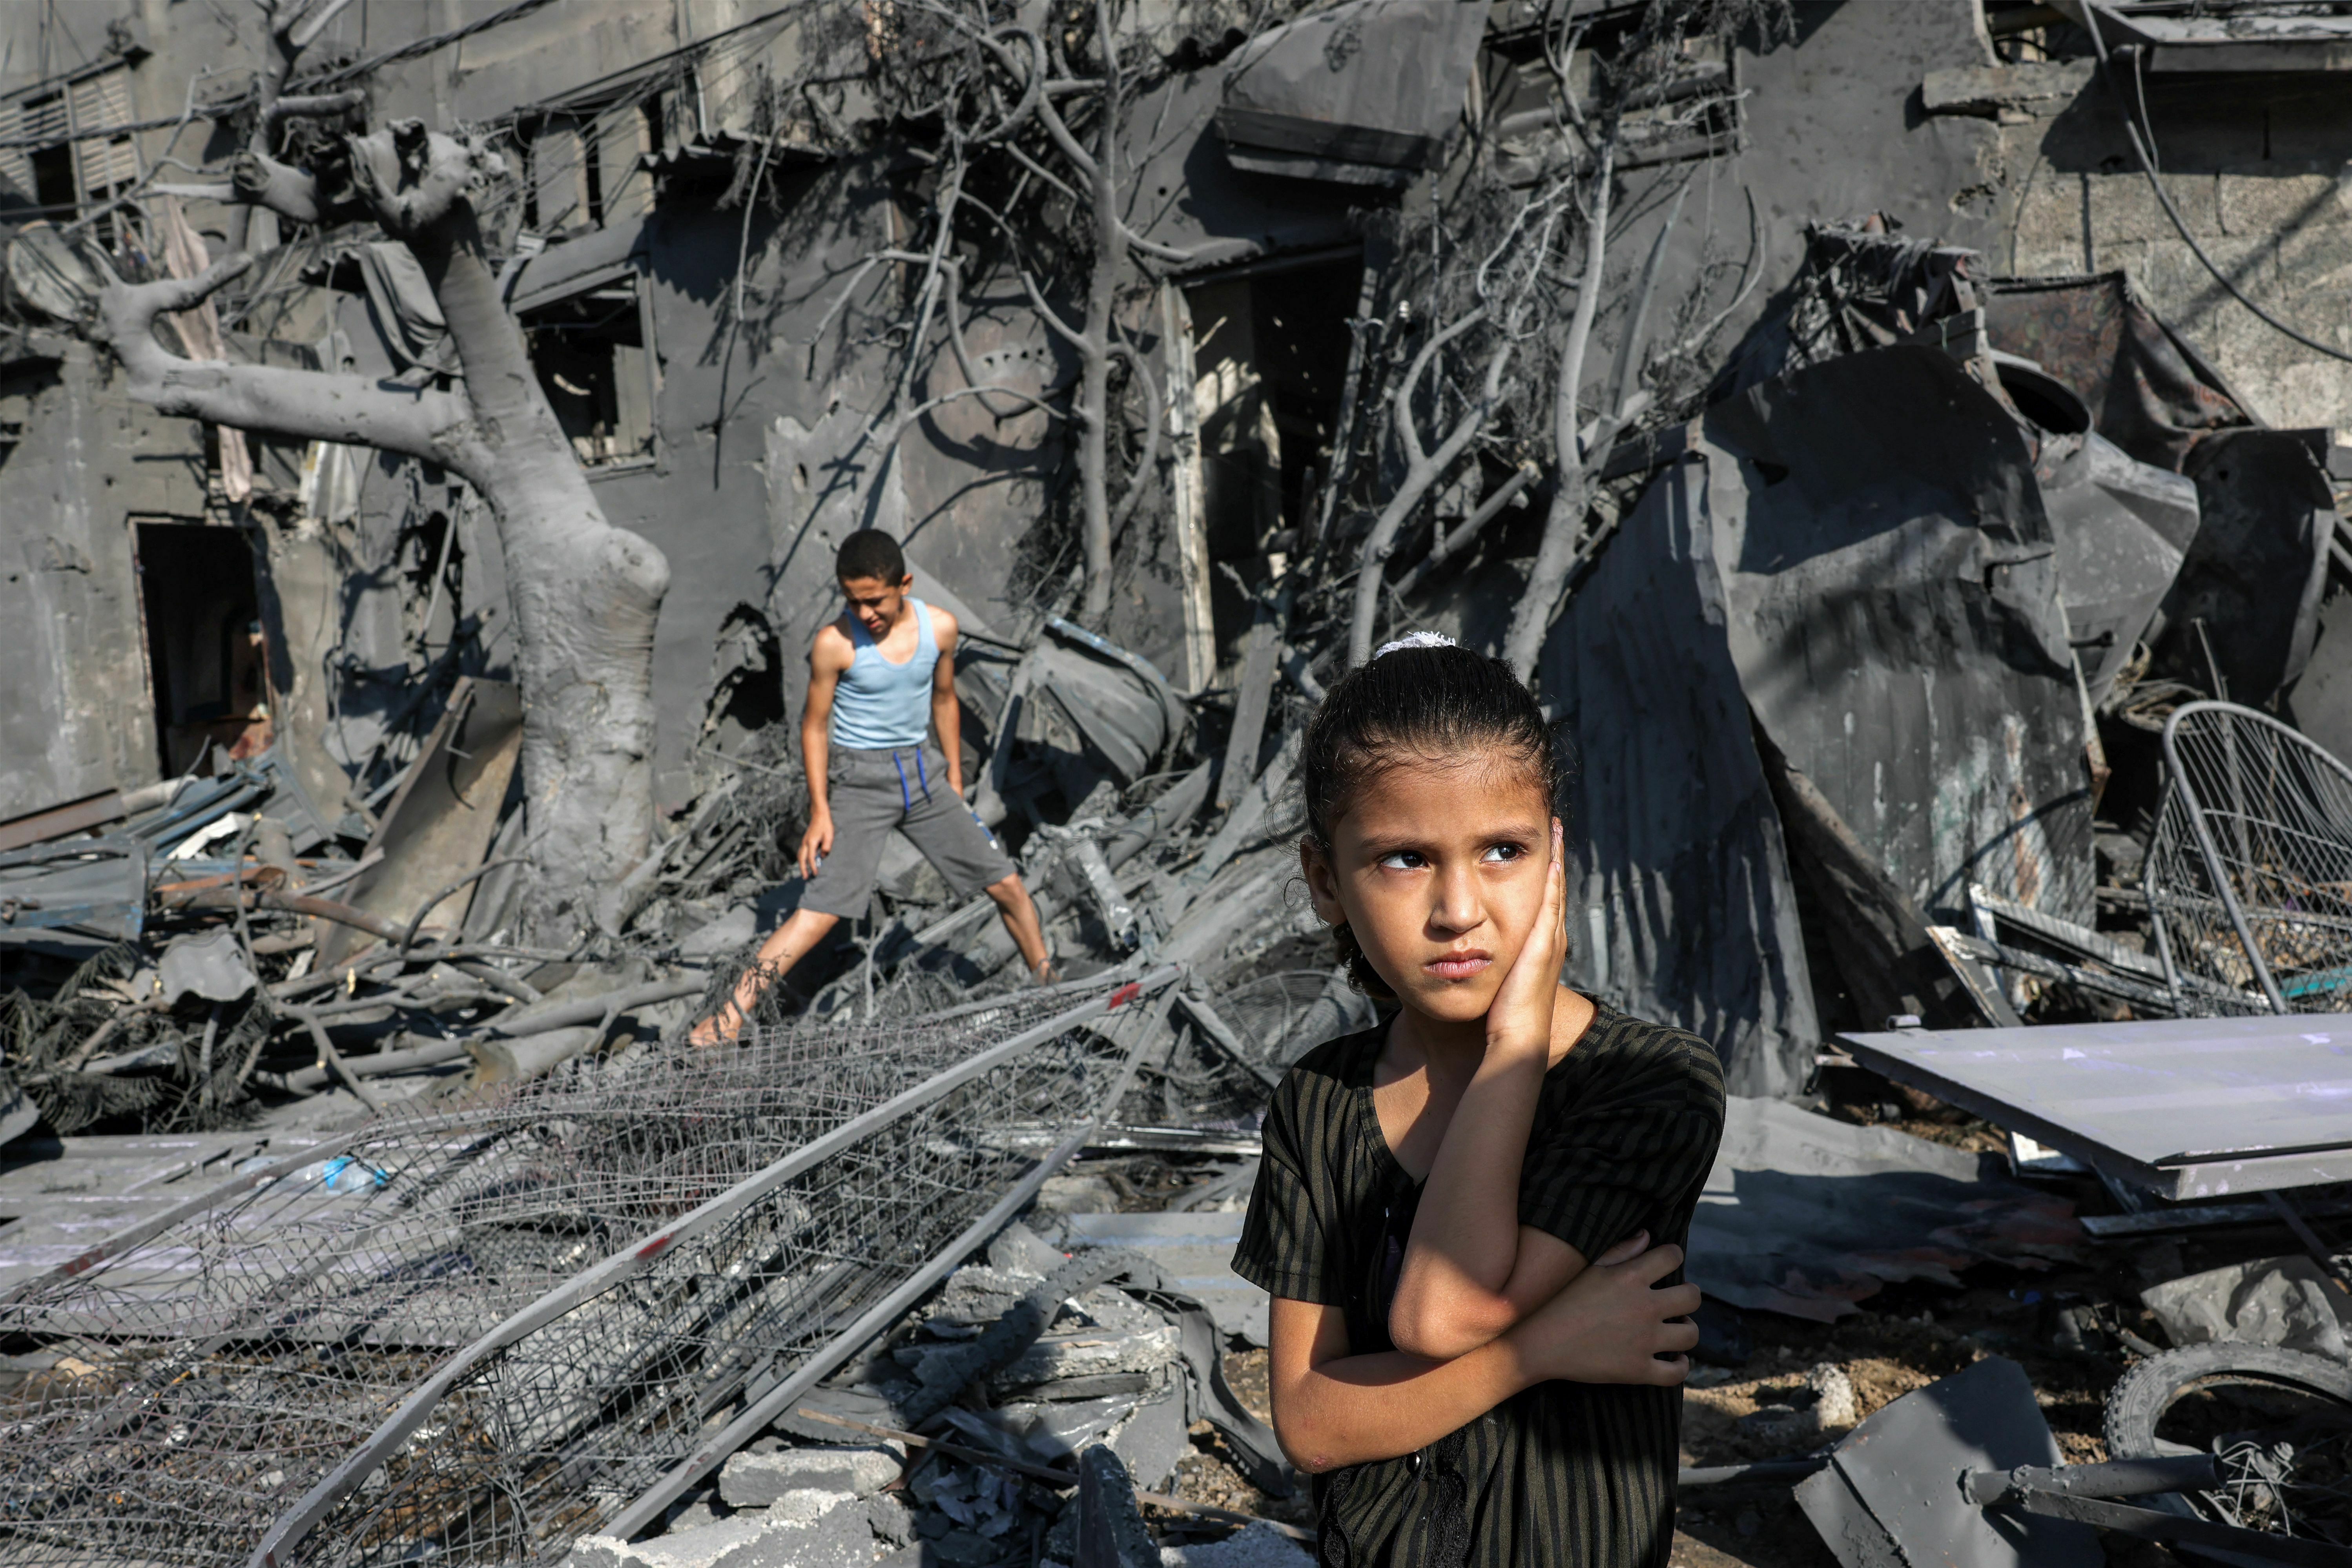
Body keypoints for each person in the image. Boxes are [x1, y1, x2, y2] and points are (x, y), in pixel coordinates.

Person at [1231, 634, 1727, 1566]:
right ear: (1324, 880)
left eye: (1503, 850)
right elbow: (1311, 1422)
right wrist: (1537, 1351)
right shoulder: (1321, 1103)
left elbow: (1438, 1314)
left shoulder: (1649, 1081)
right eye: (1405, 859)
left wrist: (1515, 1045)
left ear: (1555, 861)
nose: (1459, 908)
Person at [691, 531, 1051, 1043]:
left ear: (902, 584)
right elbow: (814, 727)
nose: (865, 613)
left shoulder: (939, 629)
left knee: (1007, 885)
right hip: (860, 783)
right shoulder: (834, 644)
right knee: (817, 915)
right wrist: (821, 811)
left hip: (922, 775)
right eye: (852, 601)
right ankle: (724, 1020)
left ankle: (1045, 977)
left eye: (875, 600)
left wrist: (952, 774)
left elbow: (945, 699)